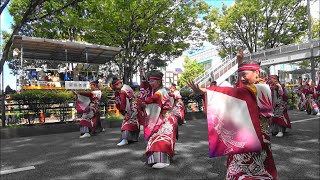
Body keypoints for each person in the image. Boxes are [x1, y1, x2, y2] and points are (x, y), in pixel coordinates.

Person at [187, 60, 277, 179]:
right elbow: (239, 94)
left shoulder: (261, 88)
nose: (242, 78)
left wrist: (207, 90)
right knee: (240, 168)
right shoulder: (251, 88)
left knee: (254, 168)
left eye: (245, 75)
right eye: (240, 76)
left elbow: (238, 93)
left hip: (258, 136)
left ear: (256, 72)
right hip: (247, 135)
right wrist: (239, 62)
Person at [137, 70, 178, 169]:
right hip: (163, 118)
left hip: (166, 119)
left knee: (161, 139)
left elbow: (153, 99)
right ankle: (157, 159)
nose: (150, 84)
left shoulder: (160, 92)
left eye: (152, 81)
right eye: (149, 81)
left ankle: (163, 160)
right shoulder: (159, 91)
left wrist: (143, 103)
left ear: (159, 81)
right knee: (156, 138)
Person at [111, 78, 140, 146]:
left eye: (116, 86)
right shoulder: (125, 87)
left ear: (119, 84)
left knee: (127, 122)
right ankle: (133, 138)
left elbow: (123, 102)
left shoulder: (123, 90)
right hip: (133, 106)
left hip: (131, 107)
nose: (116, 89)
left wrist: (122, 110)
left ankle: (125, 139)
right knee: (134, 122)